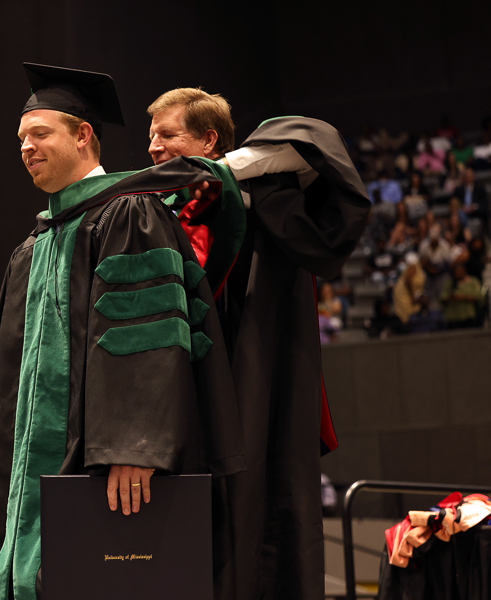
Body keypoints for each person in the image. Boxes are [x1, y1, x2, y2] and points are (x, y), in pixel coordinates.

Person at [0, 64, 245, 600]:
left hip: (104, 467)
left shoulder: (130, 214)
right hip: (18, 485)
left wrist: (132, 446)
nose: (26, 147)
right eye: (21, 139)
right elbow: (0, 371)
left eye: (40, 134)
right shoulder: (32, 248)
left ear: (83, 136)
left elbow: (146, 336)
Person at [145, 87, 370, 600]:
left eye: (168, 135)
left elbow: (315, 143)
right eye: (151, 137)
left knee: (257, 517)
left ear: (209, 139)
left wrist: (223, 171)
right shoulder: (156, 212)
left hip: (255, 385)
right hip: (181, 403)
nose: (155, 147)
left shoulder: (266, 196)